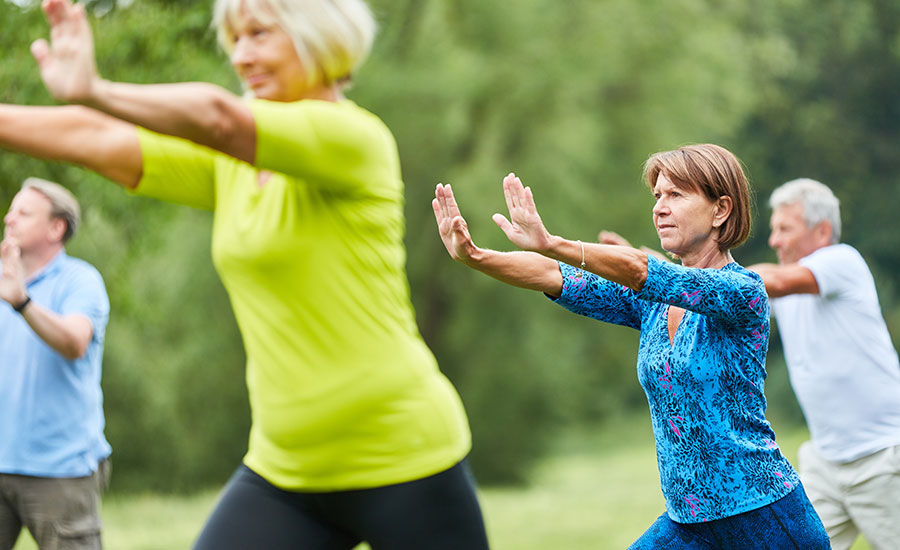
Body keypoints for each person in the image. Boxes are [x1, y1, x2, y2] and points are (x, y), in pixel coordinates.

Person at [0, 0, 489, 549]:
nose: (241, 54)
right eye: (235, 38)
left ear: (321, 39)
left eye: (260, 34)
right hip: (286, 468)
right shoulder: (232, 165)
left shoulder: (355, 139)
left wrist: (97, 87)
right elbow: (101, 141)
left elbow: (218, 117)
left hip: (403, 456)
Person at [433, 144, 831, 549]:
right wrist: (476, 257)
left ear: (721, 209)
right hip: (688, 522)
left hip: (764, 517)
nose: (659, 207)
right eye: (657, 195)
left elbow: (642, 269)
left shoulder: (742, 292)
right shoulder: (652, 304)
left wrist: (551, 241)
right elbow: (555, 276)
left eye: (676, 195)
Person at [748, 178, 900, 550]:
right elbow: (722, 296)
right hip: (824, 464)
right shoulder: (784, 288)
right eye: (774, 229)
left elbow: (776, 281)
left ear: (822, 231)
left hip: (883, 459)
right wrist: (652, 269)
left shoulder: (841, 261)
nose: (775, 240)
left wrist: (707, 277)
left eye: (785, 229)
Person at [0, 177, 111, 550]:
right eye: (11, 210)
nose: (9, 218)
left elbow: (74, 341)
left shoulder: (81, 280)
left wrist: (22, 302)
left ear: (56, 227)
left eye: (23, 213)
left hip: (60, 470)